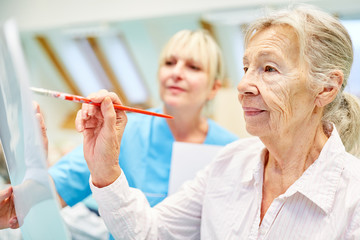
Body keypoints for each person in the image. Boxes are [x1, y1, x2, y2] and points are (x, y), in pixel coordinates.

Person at [75, 5, 360, 239]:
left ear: (325, 88)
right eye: (246, 67)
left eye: (269, 68)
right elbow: (149, 232)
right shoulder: (228, 164)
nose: (244, 84)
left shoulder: (352, 199)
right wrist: (106, 168)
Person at [48, 29, 238, 211]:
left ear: (214, 88)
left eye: (193, 67)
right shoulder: (121, 132)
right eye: (170, 63)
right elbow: (55, 186)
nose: (176, 73)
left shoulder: (232, 150)